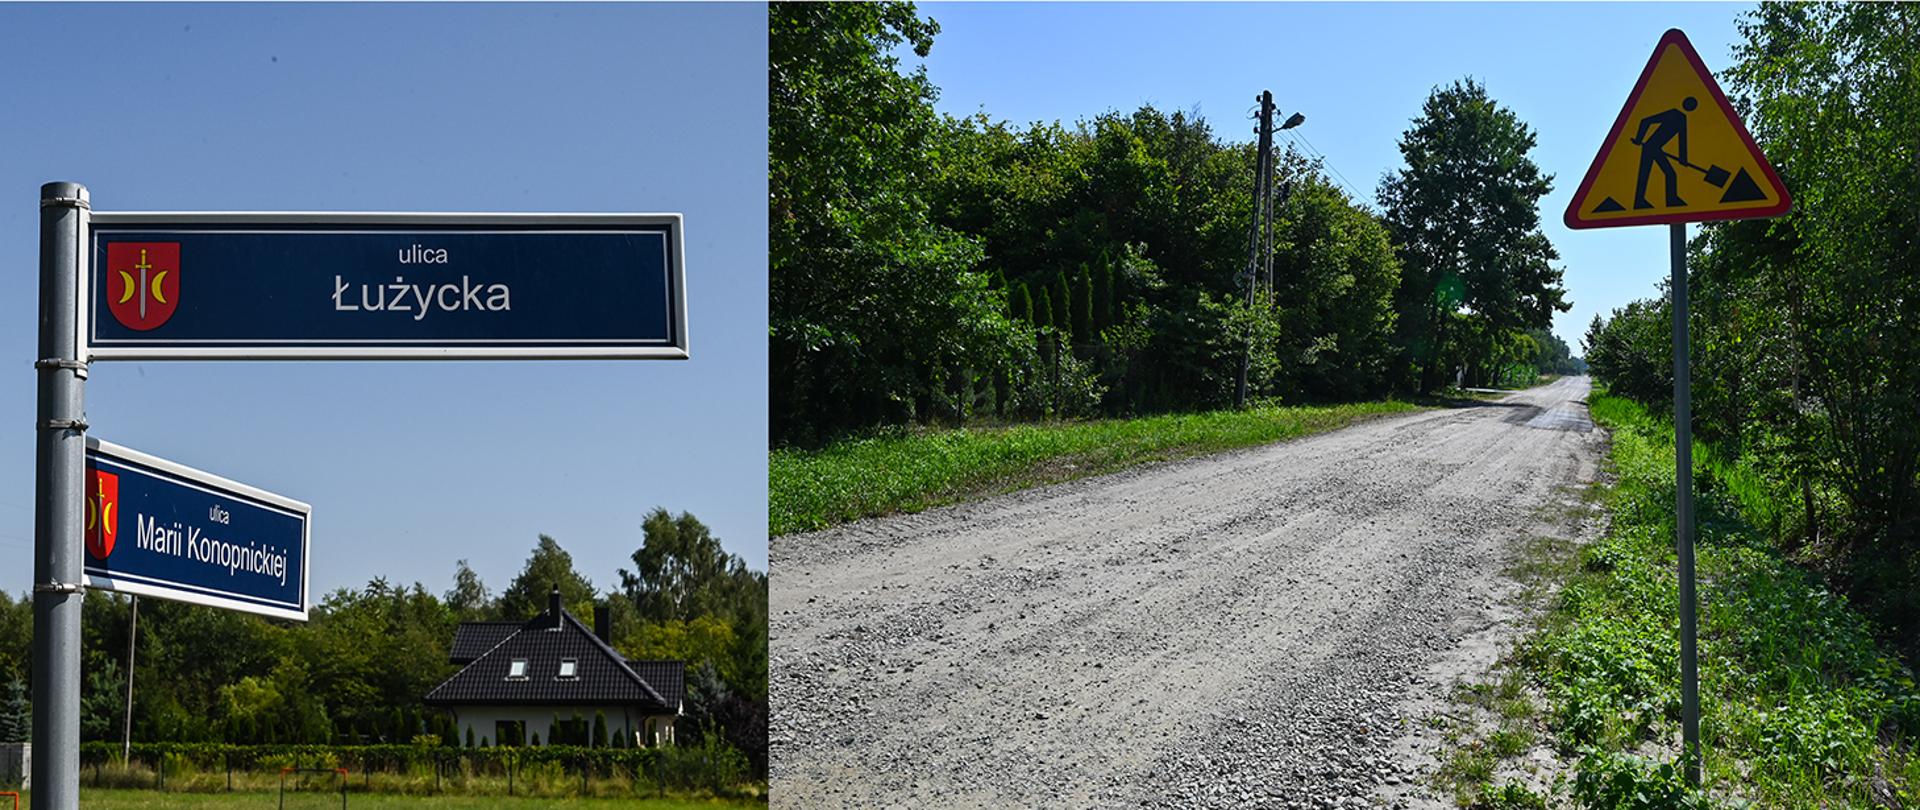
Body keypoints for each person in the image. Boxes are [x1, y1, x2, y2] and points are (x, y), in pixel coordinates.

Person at [1631, 96, 1697, 209]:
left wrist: (1683, 159)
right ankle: (1644, 201)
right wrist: (1638, 139)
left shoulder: (1682, 119)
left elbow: (1682, 141)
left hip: (1655, 148)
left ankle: (1669, 200)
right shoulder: (1674, 114)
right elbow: (1646, 121)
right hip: (1650, 147)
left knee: (1665, 174)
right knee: (1647, 174)